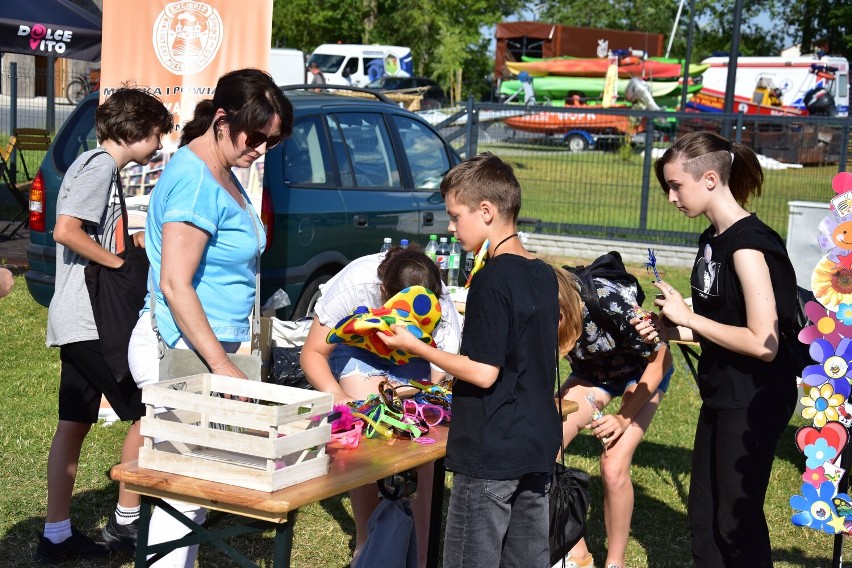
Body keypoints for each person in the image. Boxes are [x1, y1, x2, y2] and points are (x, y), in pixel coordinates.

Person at [126, 68, 293, 567]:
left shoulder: (222, 172)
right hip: (183, 353)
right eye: (256, 136)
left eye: (272, 140)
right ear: (222, 119)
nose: (261, 148)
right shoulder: (197, 182)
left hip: (208, 350)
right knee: (184, 490)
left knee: (196, 491)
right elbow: (176, 285)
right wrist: (222, 365)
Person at [378, 152, 571, 567]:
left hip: (492, 452)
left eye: (455, 215)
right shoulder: (542, 273)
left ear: (486, 211)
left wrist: (418, 347)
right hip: (536, 446)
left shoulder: (491, 278)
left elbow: (484, 372)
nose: (450, 226)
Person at [634, 130, 798, 567]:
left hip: (755, 398)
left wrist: (689, 318)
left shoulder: (747, 246)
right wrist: (669, 329)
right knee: (705, 521)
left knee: (735, 521)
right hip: (722, 392)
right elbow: (723, 325)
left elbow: (764, 343)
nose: (671, 197)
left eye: (675, 186)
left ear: (709, 179)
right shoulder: (711, 240)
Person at [37, 87, 173, 563]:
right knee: (147, 412)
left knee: (73, 423)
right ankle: (125, 524)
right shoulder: (100, 167)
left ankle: (55, 535)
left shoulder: (89, 164)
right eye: (156, 135)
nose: (157, 146)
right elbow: (66, 230)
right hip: (90, 320)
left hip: (73, 319)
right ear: (134, 131)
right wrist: (117, 264)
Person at [300, 245, 463, 568]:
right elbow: (313, 353)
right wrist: (343, 400)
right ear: (382, 292)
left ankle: (419, 554)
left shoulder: (439, 305)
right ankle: (368, 545)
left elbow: (442, 377)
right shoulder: (355, 285)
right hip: (359, 347)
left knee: (421, 441)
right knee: (371, 435)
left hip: (415, 353)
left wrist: (422, 399)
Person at [551, 267, 673, 568]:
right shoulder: (537, 308)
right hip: (593, 376)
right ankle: (577, 551)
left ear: (565, 308)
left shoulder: (608, 302)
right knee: (543, 444)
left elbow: (661, 358)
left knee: (613, 464)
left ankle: (615, 562)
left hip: (642, 373)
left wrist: (622, 418)